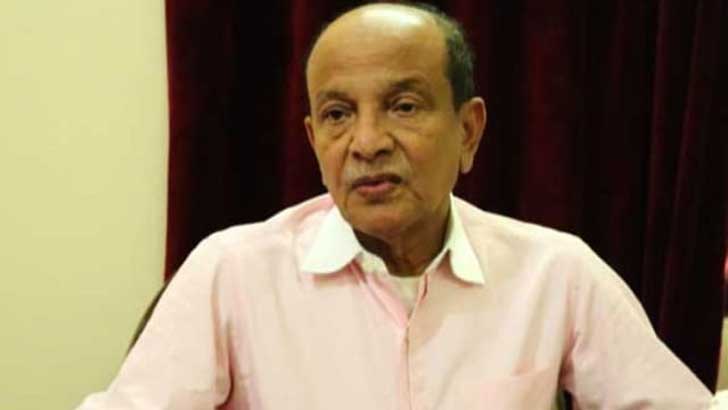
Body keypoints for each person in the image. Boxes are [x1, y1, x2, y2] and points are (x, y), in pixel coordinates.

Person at [77, 2, 716, 409]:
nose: (367, 142)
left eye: (403, 106)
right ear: (313, 141)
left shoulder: (555, 274)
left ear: (468, 131)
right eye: (337, 114)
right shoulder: (233, 273)